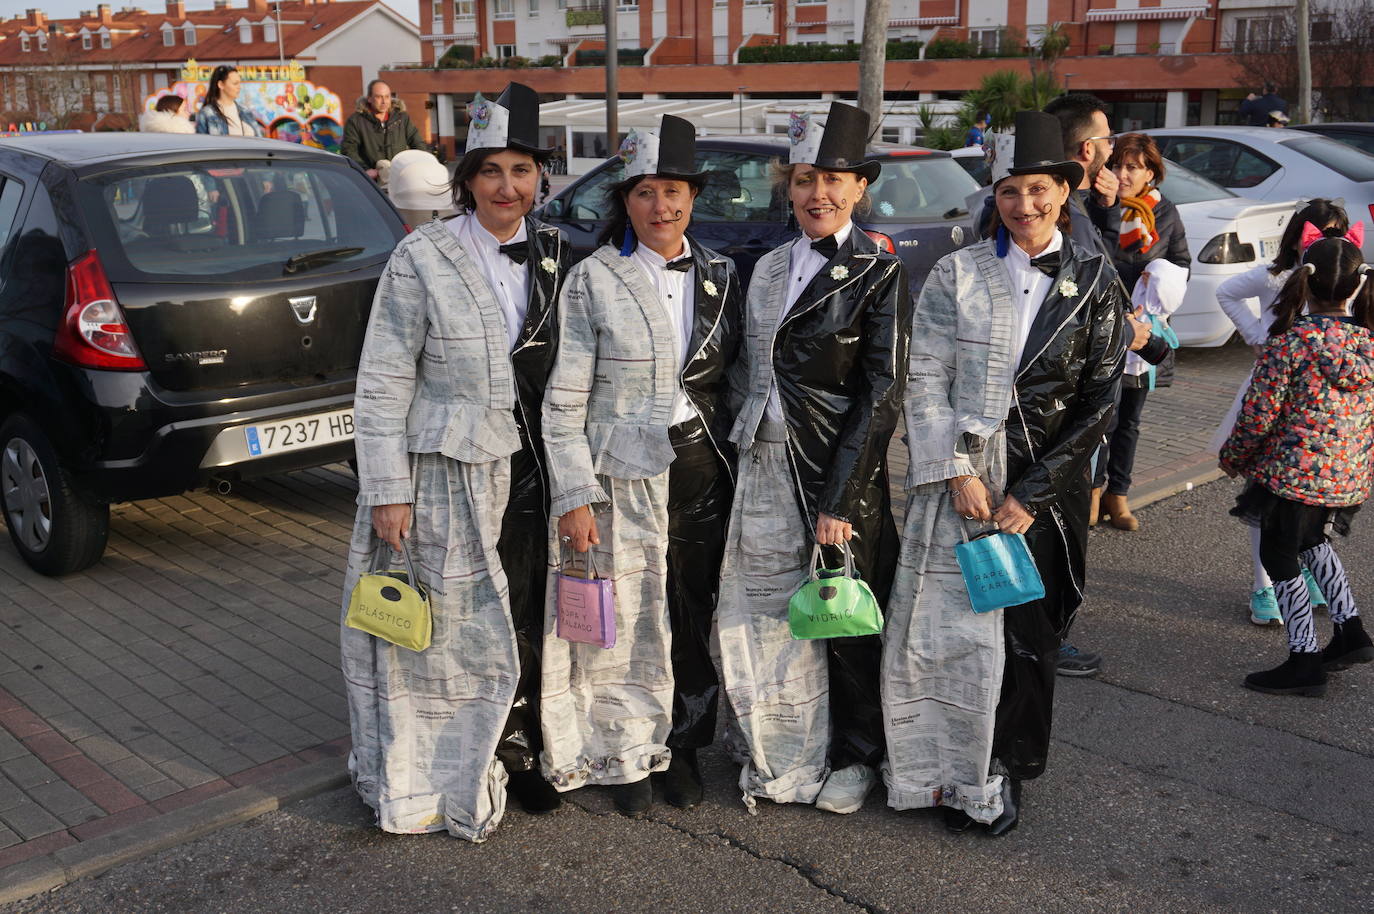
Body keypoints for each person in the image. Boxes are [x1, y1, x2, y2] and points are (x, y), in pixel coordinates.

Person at [887, 110, 1126, 835]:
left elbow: (1100, 400)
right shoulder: (956, 273)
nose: (1026, 204)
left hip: (1041, 496)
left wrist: (1034, 491)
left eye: (1040, 189)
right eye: (1011, 190)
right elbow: (922, 374)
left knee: (1027, 637)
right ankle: (940, 765)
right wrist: (956, 469)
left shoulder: (1093, 281)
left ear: (1065, 188)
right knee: (946, 634)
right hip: (960, 487)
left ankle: (1007, 768)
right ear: (995, 195)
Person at [342, 82, 570, 841]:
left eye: (523, 171)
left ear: (541, 176)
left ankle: (520, 749)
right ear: (467, 180)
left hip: (537, 466)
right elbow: (382, 378)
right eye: (492, 171)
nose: (509, 188)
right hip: (445, 473)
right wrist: (387, 488)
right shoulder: (422, 256)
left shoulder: (561, 253)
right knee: (448, 631)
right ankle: (453, 763)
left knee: (529, 612)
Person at [541, 115, 742, 816]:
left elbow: (734, 382)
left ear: (694, 196)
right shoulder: (591, 281)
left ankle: (681, 744)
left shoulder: (721, 273)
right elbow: (563, 400)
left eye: (675, 191)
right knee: (620, 622)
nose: (663, 206)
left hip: (699, 473)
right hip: (616, 476)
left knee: (689, 613)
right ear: (625, 200)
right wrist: (573, 489)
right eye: (646, 192)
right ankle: (622, 752)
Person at [714, 102, 911, 816]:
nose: (817, 194)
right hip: (762, 462)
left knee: (844, 617)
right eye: (803, 179)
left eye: (833, 179)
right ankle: (783, 740)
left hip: (836, 470)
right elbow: (744, 371)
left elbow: (882, 394)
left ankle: (857, 754)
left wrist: (842, 496)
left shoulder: (880, 272)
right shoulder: (765, 268)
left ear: (860, 186)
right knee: (770, 616)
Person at [1220, 231, 1374, 695]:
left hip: (1293, 473)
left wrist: (1234, 456)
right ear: (1357, 285)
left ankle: (1304, 657)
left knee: (1278, 553)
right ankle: (1350, 631)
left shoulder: (1290, 343)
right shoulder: (1368, 343)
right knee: (1310, 541)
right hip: (1345, 474)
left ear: (1303, 283)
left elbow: (1259, 412)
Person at [1212, 200, 1349, 626]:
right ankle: (1263, 587)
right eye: (1319, 234)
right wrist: (1257, 334)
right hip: (1274, 395)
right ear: (1298, 237)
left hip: (1323, 405)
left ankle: (1306, 571)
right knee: (1265, 499)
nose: (1326, 245)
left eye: (1335, 235)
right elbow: (1226, 291)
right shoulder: (1276, 276)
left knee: (1315, 498)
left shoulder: (1349, 281)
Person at [1091, 133, 1191, 532]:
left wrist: (1161, 284)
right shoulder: (1098, 207)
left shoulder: (1164, 212)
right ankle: (1091, 495)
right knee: (1101, 418)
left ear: (1151, 171)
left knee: (1129, 420)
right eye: (1116, 165)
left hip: (1143, 335)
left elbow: (1181, 261)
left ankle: (1119, 495)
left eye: (1132, 166)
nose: (1122, 173)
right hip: (1104, 329)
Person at [341, 80, 428, 180]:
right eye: (379, 97)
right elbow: (349, 150)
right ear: (369, 98)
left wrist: (425, 162)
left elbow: (417, 142)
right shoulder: (355, 121)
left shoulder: (401, 118)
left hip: (400, 178)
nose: (384, 101)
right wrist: (365, 170)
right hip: (371, 181)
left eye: (387, 96)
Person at [194, 65, 262, 137]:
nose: (239, 87)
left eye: (239, 83)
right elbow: (201, 143)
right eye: (235, 83)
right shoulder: (207, 113)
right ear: (221, 84)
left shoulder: (245, 111)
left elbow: (260, 141)